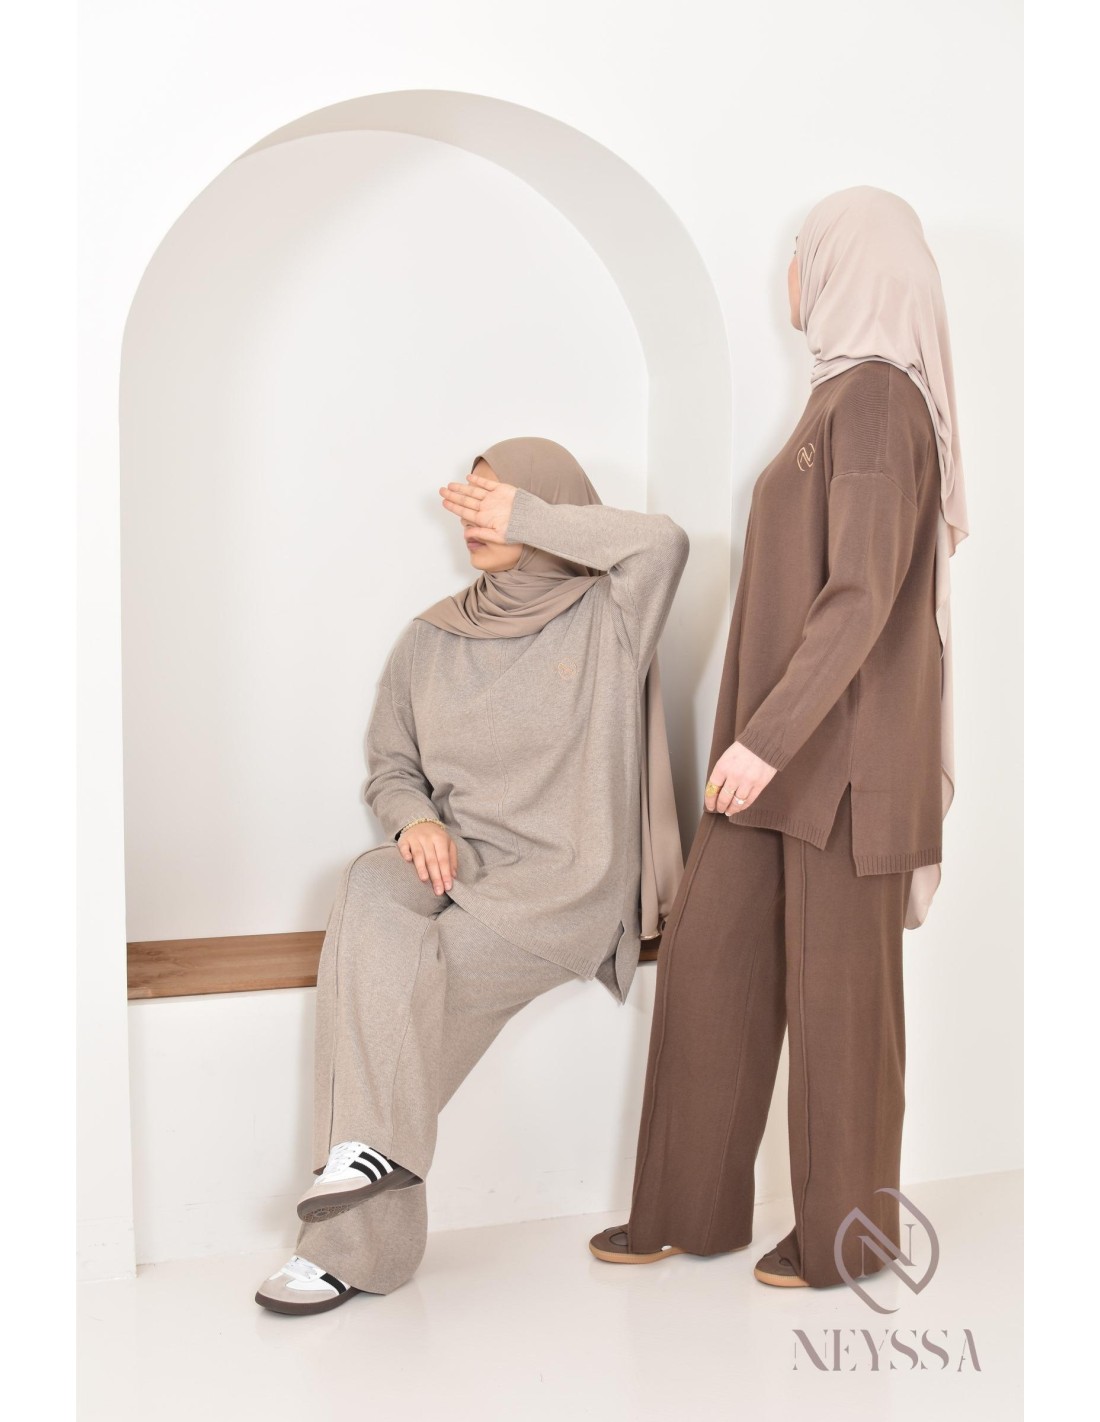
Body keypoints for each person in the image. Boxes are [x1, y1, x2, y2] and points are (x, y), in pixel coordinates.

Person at [589, 186, 969, 1288]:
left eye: (800, 253)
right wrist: (757, 747)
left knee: (841, 1010)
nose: (787, 276)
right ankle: (687, 1207)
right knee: (711, 964)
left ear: (848, 267)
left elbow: (861, 596)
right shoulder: (835, 397)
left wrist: (763, 740)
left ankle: (849, 1239)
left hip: (841, 768)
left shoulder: (877, 400)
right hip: (773, 762)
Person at [254, 436, 690, 1314]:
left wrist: (524, 514)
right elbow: (391, 765)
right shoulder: (431, 638)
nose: (475, 516)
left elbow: (665, 543)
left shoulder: (610, 616)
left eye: (498, 501)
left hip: (561, 888)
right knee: (368, 885)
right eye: (472, 499)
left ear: (549, 507)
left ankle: (348, 1251)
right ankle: (367, 1156)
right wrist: (413, 819)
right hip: (456, 863)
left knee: (413, 982)